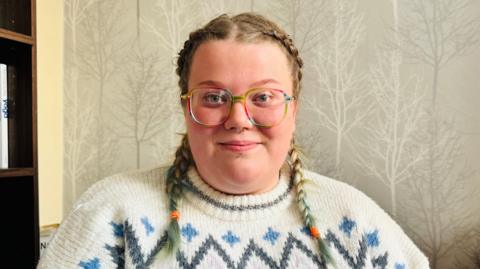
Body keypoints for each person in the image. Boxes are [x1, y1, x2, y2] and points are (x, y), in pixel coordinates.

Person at [38, 13, 429, 268]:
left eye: (263, 98)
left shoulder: (354, 219)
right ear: (186, 107)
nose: (238, 119)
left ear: (293, 109)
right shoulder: (112, 213)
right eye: (213, 98)